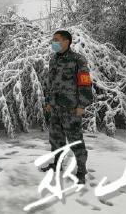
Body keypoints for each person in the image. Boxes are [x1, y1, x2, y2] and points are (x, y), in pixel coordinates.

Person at [42, 30, 93, 184]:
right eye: (53, 40)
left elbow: (85, 83)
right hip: (56, 107)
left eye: (56, 40)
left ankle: (81, 170)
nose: (53, 42)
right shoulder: (53, 60)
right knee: (56, 138)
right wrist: (49, 102)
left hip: (71, 108)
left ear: (66, 41)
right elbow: (50, 83)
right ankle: (57, 164)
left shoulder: (78, 60)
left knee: (75, 140)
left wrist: (82, 105)